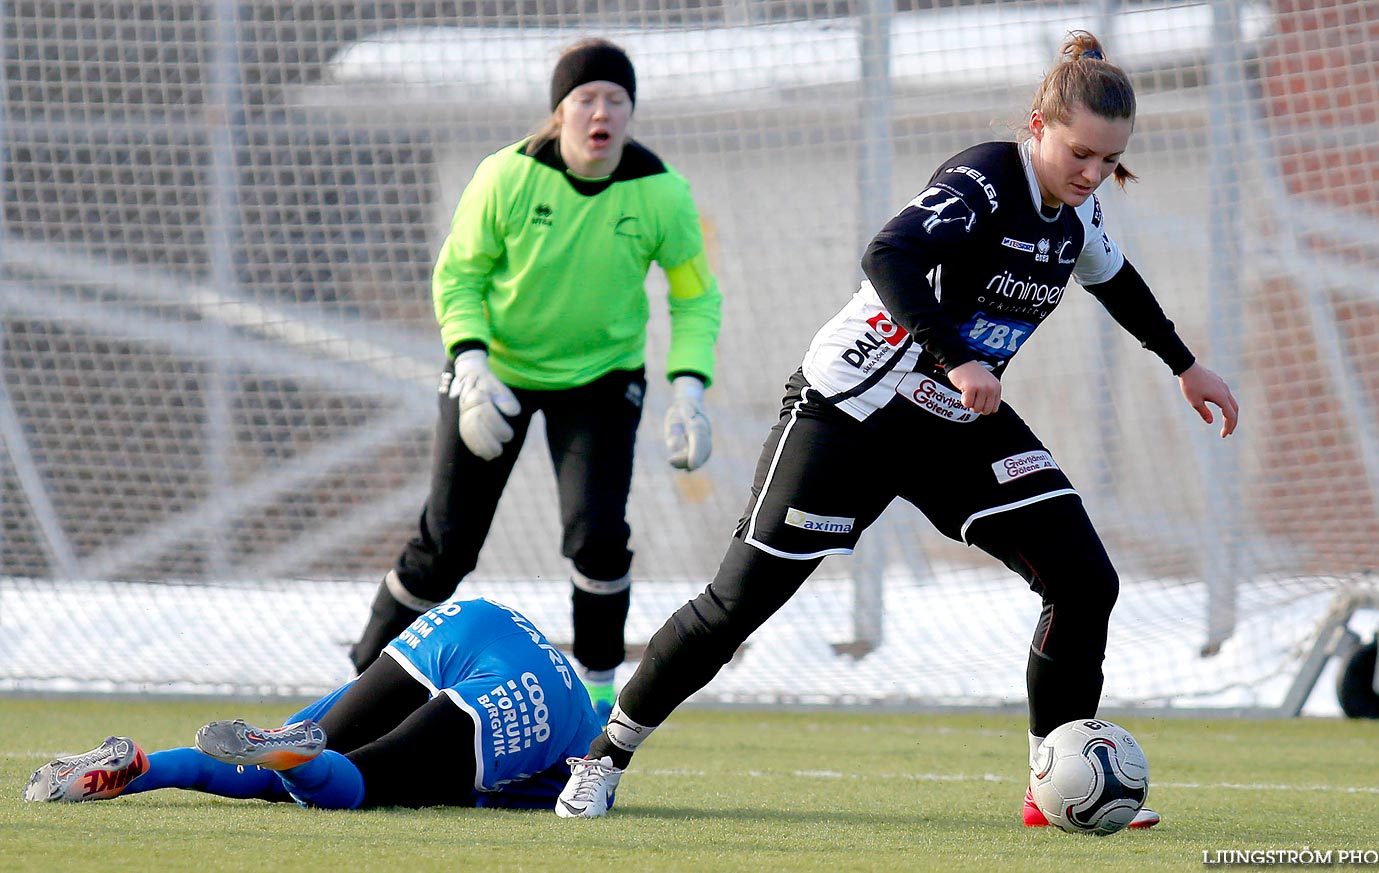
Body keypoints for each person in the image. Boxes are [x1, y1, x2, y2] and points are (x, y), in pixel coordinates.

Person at [552, 31, 1239, 827]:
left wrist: (1185, 364)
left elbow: (1117, 281)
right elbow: (890, 254)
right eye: (1080, 154)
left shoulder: (1076, 215)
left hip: (955, 422)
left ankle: (1055, 786)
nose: (1092, 176)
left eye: (1108, 162)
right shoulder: (984, 180)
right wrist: (956, 357)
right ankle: (604, 758)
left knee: (1085, 581)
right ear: (1037, 125)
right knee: (737, 603)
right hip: (851, 412)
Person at [347, 37, 724, 724]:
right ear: (559, 112)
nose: (600, 111)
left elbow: (695, 296)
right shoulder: (507, 177)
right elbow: (459, 274)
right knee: (446, 545)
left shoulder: (662, 193)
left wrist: (690, 387)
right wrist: (471, 365)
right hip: (498, 372)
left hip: (602, 378)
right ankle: (358, 685)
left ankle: (598, 700)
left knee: (598, 536)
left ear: (630, 112)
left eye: (616, 99)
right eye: (585, 98)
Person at [24, 598, 603, 810]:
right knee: (357, 781)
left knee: (299, 749)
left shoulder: (588, 726)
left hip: (473, 618)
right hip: (533, 695)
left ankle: (142, 768)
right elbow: (587, 790)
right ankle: (297, 757)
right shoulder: (578, 751)